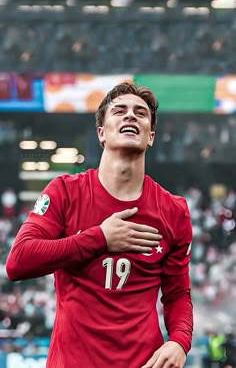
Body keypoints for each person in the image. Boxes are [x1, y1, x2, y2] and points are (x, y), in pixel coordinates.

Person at [6, 82, 193, 368]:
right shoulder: (65, 192)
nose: (130, 116)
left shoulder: (173, 211)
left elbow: (178, 293)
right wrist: (100, 238)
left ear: (151, 136)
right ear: (101, 133)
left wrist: (180, 340)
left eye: (140, 113)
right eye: (120, 111)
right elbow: (19, 261)